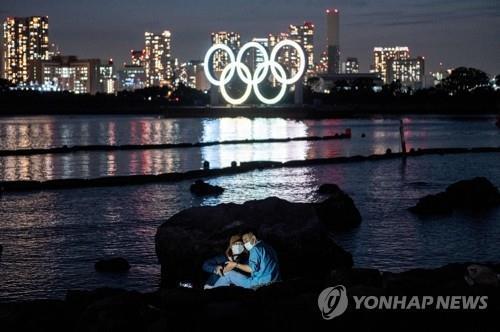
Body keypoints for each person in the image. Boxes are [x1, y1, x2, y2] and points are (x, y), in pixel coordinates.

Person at [212, 230, 281, 289]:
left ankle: (211, 293)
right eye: (244, 242)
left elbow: (251, 269)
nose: (245, 243)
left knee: (228, 275)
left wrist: (235, 265)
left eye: (246, 240)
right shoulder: (269, 247)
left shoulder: (255, 249)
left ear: (253, 237)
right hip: (275, 280)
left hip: (259, 283)